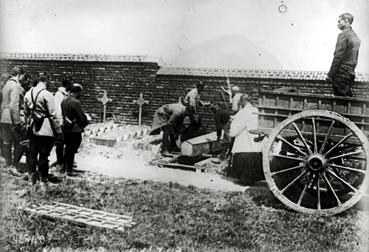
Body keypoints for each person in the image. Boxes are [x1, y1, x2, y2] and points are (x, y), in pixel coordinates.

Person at [24, 72, 62, 190]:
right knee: (44, 155)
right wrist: (58, 131)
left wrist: (28, 125)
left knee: (32, 154)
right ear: (48, 80)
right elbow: (52, 115)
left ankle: (31, 180)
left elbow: (26, 112)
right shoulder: (47, 94)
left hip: (32, 127)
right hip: (45, 128)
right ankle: (43, 181)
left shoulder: (28, 93)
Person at [229, 94, 262, 185]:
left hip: (245, 138)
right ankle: (252, 179)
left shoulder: (244, 111)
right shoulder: (256, 110)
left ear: (243, 101)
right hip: (254, 138)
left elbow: (238, 125)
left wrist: (232, 132)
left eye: (240, 101)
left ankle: (244, 180)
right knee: (253, 157)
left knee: (244, 158)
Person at [327, 13, 360, 97]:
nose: (337, 23)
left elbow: (338, 56)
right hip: (350, 75)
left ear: (346, 21)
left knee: (340, 104)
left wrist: (330, 75)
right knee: (347, 101)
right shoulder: (355, 37)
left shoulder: (343, 35)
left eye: (339, 21)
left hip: (341, 75)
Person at [61, 83, 89, 176]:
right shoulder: (76, 102)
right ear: (77, 92)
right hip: (75, 130)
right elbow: (81, 117)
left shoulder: (64, 101)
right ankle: (69, 170)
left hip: (66, 128)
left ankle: (64, 168)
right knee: (72, 150)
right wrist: (86, 121)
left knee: (67, 149)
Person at [0, 67, 24, 172]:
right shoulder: (16, 85)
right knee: (19, 142)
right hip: (11, 118)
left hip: (4, 117)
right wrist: (17, 122)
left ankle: (8, 164)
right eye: (23, 76)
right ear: (20, 75)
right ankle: (14, 166)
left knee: (6, 142)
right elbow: (14, 105)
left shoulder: (6, 84)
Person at [53, 77, 71, 171]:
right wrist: (60, 122)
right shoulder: (59, 95)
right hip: (61, 122)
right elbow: (57, 109)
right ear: (67, 85)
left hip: (66, 122)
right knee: (59, 143)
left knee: (66, 142)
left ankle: (64, 160)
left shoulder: (67, 95)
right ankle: (59, 161)